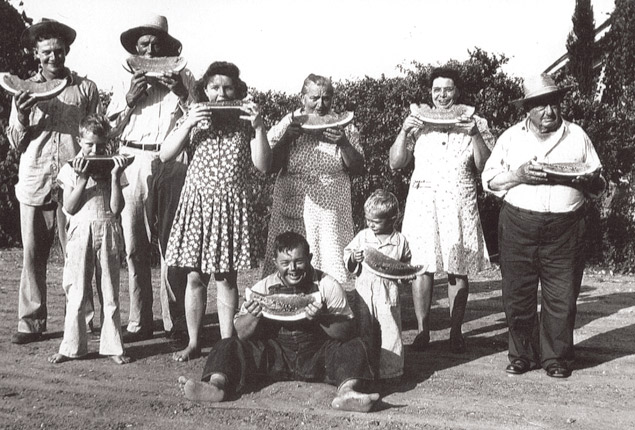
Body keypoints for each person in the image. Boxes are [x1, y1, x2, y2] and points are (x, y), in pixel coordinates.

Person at [482, 74, 605, 378]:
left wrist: (589, 181)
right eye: (540, 106)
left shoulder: (577, 135)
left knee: (561, 295)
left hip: (566, 227)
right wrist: (519, 176)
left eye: (552, 103)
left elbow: (599, 183)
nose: (548, 111)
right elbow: (489, 181)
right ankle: (522, 354)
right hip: (518, 223)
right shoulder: (510, 137)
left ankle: (557, 357)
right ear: (527, 109)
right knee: (517, 293)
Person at [178, 231, 380, 412]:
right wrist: (254, 316)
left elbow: (347, 331)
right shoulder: (262, 287)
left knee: (355, 345)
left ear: (309, 258)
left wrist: (322, 318)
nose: (292, 268)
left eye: (299, 261)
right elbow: (239, 333)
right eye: (285, 263)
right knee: (226, 343)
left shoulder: (328, 285)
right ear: (275, 262)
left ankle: (347, 392)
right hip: (274, 357)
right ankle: (216, 386)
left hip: (317, 357)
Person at [161, 61, 271, 361]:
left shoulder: (246, 121)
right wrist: (187, 123)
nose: (221, 94)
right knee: (195, 277)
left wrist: (260, 126)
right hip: (197, 205)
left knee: (226, 279)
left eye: (228, 88)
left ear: (237, 90)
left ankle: (226, 345)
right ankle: (194, 342)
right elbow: (165, 154)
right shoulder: (193, 116)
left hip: (230, 205)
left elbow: (263, 166)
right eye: (214, 88)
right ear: (204, 90)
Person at [8, 18, 101, 344]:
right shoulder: (22, 90)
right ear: (36, 53)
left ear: (67, 51)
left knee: (80, 254)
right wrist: (21, 116)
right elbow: (15, 143)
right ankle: (30, 323)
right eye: (46, 52)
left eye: (59, 51)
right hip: (35, 179)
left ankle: (88, 320)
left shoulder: (85, 89)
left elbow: (98, 131)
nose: (53, 57)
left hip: (75, 181)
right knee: (33, 255)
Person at [389, 67, 493, 353]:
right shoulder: (418, 122)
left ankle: (456, 331)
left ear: (457, 91)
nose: (442, 96)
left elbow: (485, 165)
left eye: (448, 90)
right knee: (422, 266)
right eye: (437, 90)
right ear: (430, 93)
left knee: (457, 268)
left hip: (459, 198)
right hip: (423, 198)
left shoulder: (476, 121)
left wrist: (474, 135)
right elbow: (396, 163)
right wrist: (403, 131)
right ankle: (423, 331)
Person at [107, 14, 196, 342]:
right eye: (144, 45)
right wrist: (130, 100)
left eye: (156, 45)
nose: (150, 50)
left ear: (167, 48)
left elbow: (198, 118)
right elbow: (110, 128)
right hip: (133, 158)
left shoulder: (183, 73)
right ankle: (139, 319)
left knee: (171, 245)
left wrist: (184, 94)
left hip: (172, 158)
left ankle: (175, 321)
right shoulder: (123, 77)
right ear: (135, 47)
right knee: (134, 245)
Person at [262, 74, 364, 284]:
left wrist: (344, 143)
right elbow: (269, 166)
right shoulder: (288, 122)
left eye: (326, 98)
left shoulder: (344, 126)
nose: (320, 104)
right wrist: (286, 139)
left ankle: (331, 306)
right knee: (290, 259)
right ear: (302, 98)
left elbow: (358, 167)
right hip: (293, 204)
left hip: (331, 206)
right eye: (314, 98)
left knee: (330, 261)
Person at [48, 114, 130, 365]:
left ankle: (113, 346)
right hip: (79, 232)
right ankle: (72, 346)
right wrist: (83, 178)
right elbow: (70, 208)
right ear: (78, 141)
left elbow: (117, 209)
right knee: (76, 291)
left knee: (110, 291)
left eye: (101, 146)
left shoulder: (112, 168)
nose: (95, 151)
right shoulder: (69, 168)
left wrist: (115, 177)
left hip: (108, 230)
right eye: (89, 145)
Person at [343, 189, 411, 381]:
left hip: (388, 292)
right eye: (368, 220)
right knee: (364, 328)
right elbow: (347, 255)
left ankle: (392, 370)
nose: (370, 224)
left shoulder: (400, 241)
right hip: (364, 289)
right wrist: (353, 258)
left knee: (391, 330)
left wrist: (407, 274)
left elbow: (405, 263)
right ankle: (365, 367)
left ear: (392, 219)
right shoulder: (363, 237)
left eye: (376, 221)